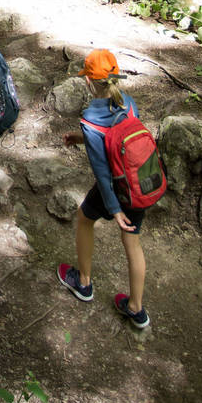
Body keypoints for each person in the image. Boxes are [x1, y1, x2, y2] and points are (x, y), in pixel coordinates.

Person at [56, 49, 151, 331]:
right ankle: (136, 309)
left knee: (85, 217)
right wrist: (79, 138)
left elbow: (101, 169)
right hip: (140, 183)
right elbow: (118, 138)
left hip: (117, 189)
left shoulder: (90, 119)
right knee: (132, 241)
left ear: (88, 82)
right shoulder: (129, 103)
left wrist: (113, 208)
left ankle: (83, 282)